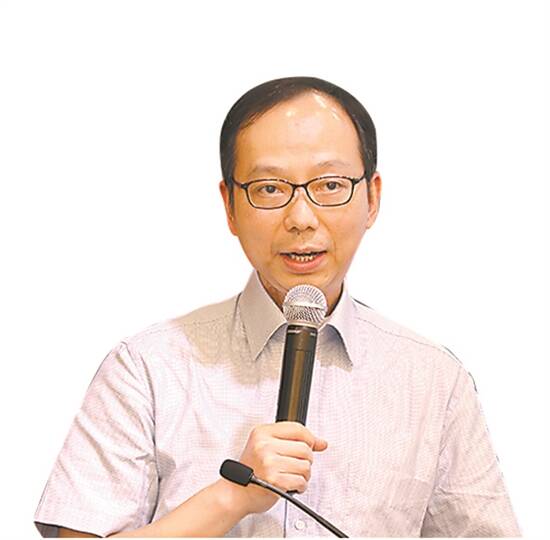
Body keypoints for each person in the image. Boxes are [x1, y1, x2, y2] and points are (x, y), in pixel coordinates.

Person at [34, 76, 521, 537]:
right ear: (229, 205)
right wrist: (229, 498)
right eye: (269, 188)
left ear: (372, 198)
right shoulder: (146, 368)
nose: (302, 218)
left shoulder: (434, 379)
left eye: (330, 185)